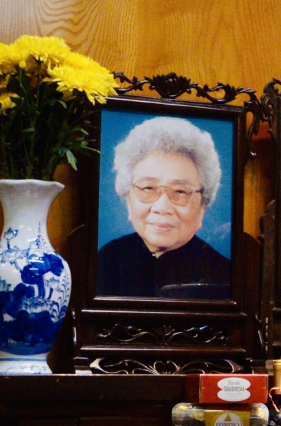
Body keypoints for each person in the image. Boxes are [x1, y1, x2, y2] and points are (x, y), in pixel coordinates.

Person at [97, 116, 231, 300]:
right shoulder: (108, 259)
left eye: (180, 191)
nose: (162, 207)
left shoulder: (224, 277)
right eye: (148, 188)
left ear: (203, 205)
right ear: (128, 198)